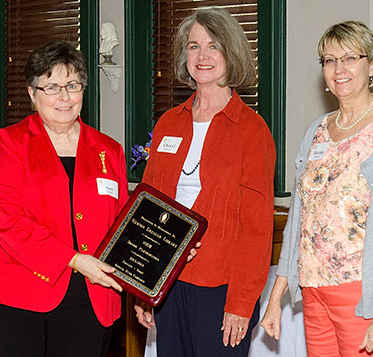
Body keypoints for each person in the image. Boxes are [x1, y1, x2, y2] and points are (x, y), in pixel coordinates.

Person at [261, 21, 373, 356]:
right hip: (315, 291)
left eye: (350, 58)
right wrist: (276, 297)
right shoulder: (316, 131)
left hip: (366, 297)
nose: (339, 69)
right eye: (329, 60)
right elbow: (299, 221)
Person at [134, 8, 276, 357]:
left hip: (221, 287)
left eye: (214, 46)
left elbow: (257, 229)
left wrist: (242, 302)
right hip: (167, 282)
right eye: (194, 46)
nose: (203, 56)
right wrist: (142, 289)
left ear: (232, 53)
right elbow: (148, 209)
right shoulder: (169, 122)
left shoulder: (251, 131)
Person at [0, 41, 129, 357]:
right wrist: (73, 260)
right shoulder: (11, 142)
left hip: (90, 299)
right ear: (32, 93)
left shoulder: (108, 150)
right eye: (52, 87)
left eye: (72, 85)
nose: (64, 97)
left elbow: (124, 222)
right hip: (15, 298)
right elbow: (6, 218)